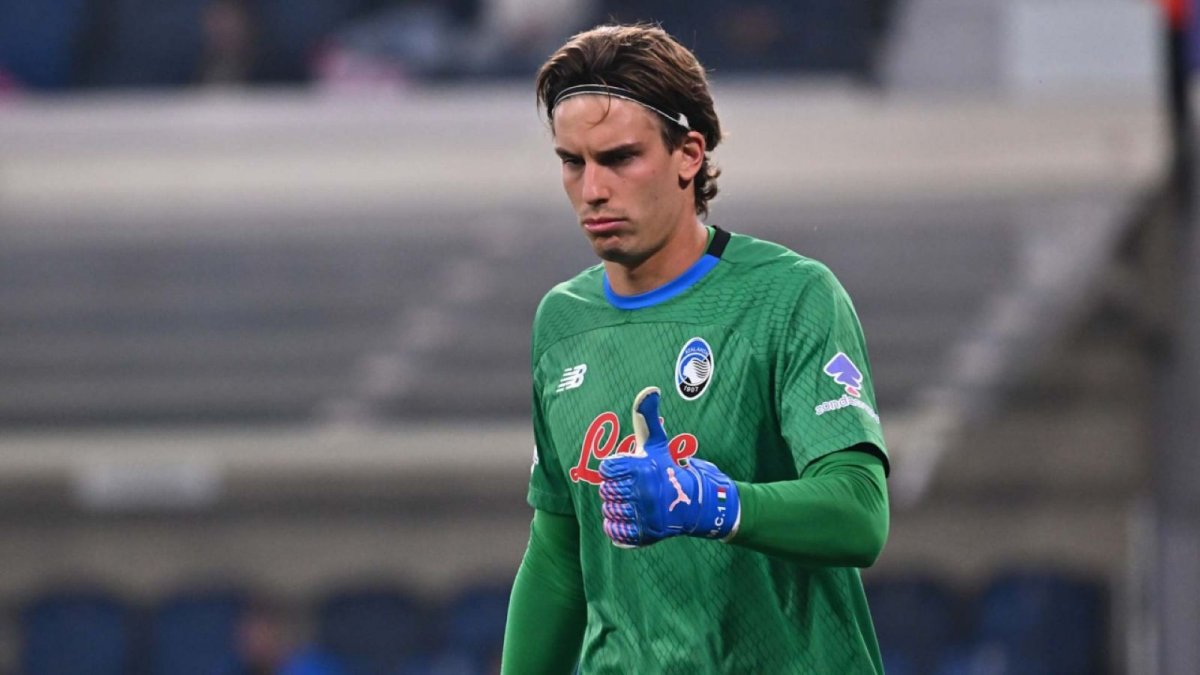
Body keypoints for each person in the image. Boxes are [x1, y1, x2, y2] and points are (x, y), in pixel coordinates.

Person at [502, 23, 890, 674]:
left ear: (688, 155)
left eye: (619, 158)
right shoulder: (562, 322)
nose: (592, 189)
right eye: (573, 162)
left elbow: (860, 514)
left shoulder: (790, 297)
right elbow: (559, 554)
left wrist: (714, 505)